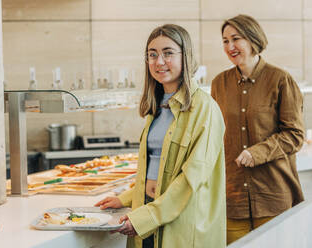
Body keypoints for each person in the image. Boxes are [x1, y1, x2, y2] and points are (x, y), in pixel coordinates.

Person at [95, 24, 226, 248]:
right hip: (147, 210)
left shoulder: (205, 108)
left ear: (186, 57)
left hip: (181, 221)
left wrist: (147, 217)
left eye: (168, 53)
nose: (159, 62)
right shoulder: (158, 107)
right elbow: (153, 168)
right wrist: (125, 199)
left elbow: (191, 179)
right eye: (152, 55)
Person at [211, 14, 305, 245]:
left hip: (272, 193)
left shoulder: (280, 80)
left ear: (253, 39)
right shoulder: (218, 84)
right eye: (225, 41)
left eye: (236, 38)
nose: (230, 46)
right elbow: (212, 135)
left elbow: (295, 135)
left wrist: (257, 153)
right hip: (231, 198)